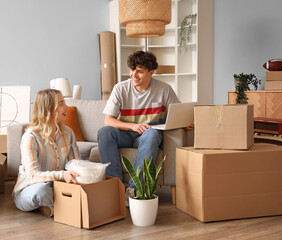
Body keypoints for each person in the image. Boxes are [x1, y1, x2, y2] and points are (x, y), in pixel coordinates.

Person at [97, 51, 180, 202]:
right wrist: (132, 127)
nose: (134, 75)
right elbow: (108, 120)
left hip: (147, 135)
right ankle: (114, 187)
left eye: (140, 71)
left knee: (152, 134)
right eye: (132, 69)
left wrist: (187, 122)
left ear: (151, 72)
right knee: (105, 132)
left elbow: (178, 114)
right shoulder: (120, 89)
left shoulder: (164, 89)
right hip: (126, 134)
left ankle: (134, 190)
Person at [13, 89, 81, 217]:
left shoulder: (68, 133)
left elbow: (75, 163)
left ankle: (51, 206)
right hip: (31, 188)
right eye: (61, 104)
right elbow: (33, 175)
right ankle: (51, 204)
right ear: (48, 109)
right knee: (41, 191)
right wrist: (62, 175)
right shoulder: (30, 137)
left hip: (57, 186)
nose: (67, 107)